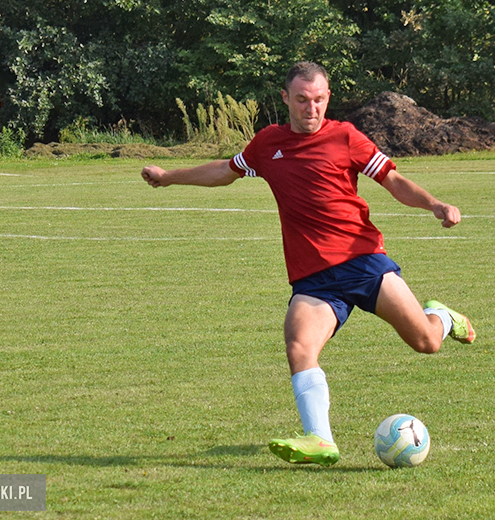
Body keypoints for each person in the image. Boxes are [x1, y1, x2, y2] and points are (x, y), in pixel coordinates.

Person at [141, 61, 475, 467]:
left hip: (363, 261)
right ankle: (320, 438)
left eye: (318, 100)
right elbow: (223, 172)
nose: (310, 108)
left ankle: (439, 315)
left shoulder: (346, 138)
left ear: (328, 98)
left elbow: (393, 180)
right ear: (286, 99)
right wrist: (169, 176)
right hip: (314, 278)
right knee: (299, 345)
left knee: (427, 342)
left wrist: (435, 204)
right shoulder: (267, 144)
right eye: (302, 100)